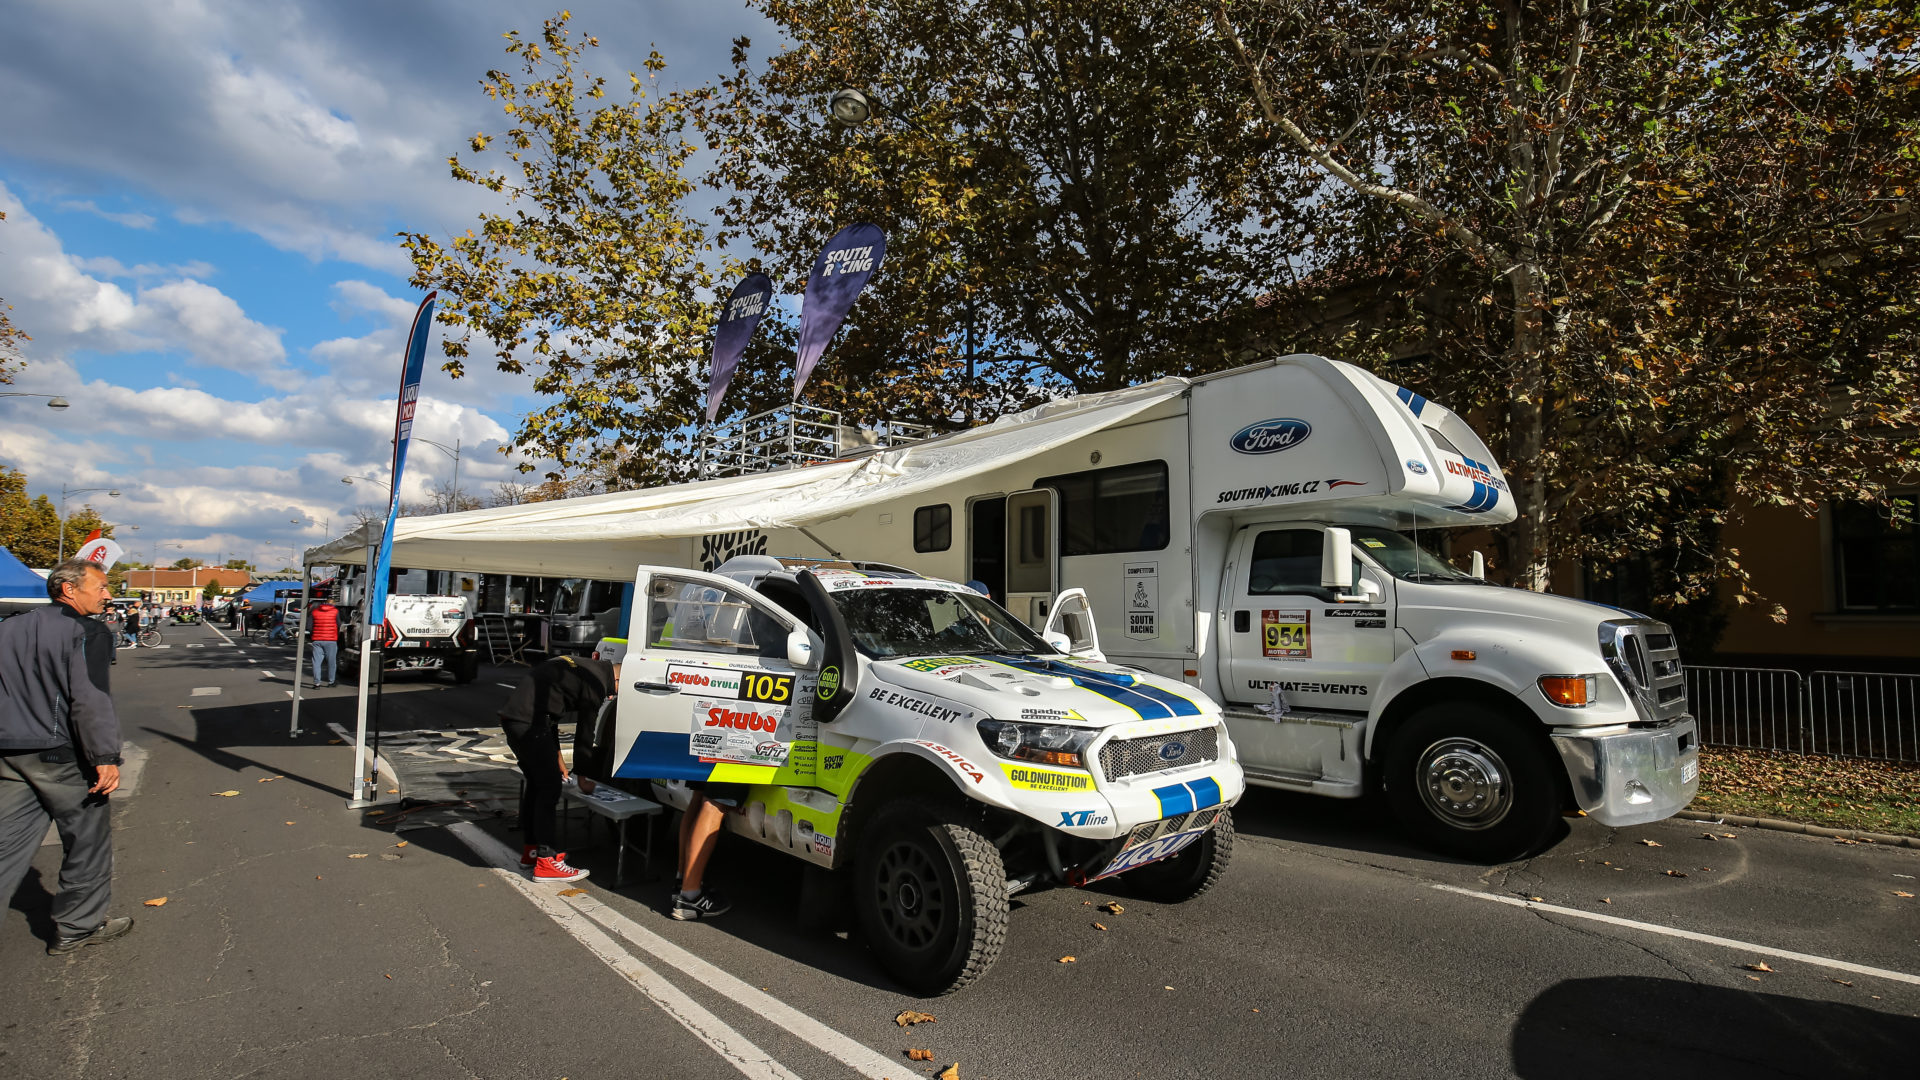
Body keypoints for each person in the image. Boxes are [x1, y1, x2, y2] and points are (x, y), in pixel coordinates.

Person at [0, 560, 132, 955]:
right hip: (62, 754)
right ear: (69, 589)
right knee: (87, 841)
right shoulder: (87, 630)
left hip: (11, 751)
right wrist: (104, 755)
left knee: (6, 844)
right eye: (101, 586)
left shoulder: (9, 628)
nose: (107, 594)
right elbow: (90, 697)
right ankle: (79, 926)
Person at [497, 654, 616, 883]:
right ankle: (547, 861)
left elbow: (549, 713)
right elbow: (585, 733)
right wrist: (583, 777)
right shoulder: (596, 682)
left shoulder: (579, 666)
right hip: (529, 723)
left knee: (537, 784)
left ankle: (532, 852)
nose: (610, 696)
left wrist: (558, 758)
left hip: (516, 718)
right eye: (615, 692)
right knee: (549, 789)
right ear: (617, 680)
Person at [306, 598, 340, 688]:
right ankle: (331, 682)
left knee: (316, 662)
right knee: (331, 662)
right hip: (331, 640)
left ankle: (317, 683)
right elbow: (339, 624)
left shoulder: (314, 612)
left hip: (317, 640)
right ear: (333, 604)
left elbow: (309, 626)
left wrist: (314, 634)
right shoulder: (335, 612)